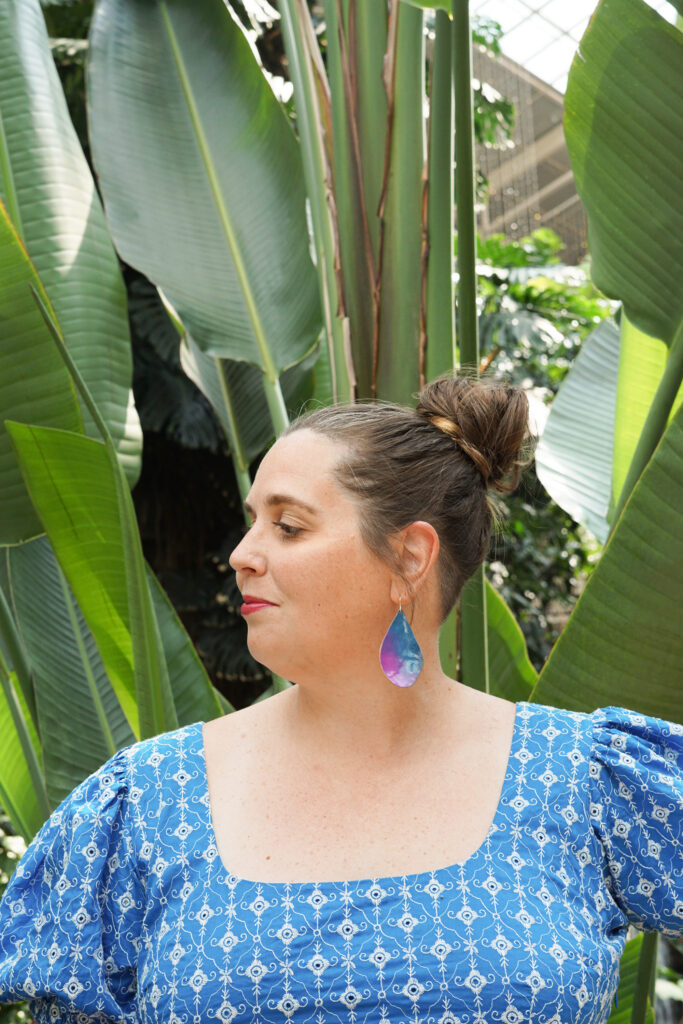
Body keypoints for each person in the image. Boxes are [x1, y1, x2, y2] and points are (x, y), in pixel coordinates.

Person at [0, 375, 681, 1024]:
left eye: (288, 526)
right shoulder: (148, 801)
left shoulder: (587, 780)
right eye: (252, 524)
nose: (241, 554)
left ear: (409, 558)